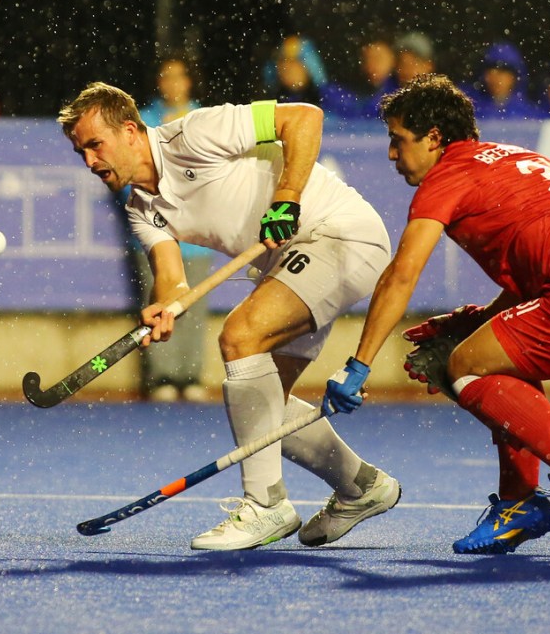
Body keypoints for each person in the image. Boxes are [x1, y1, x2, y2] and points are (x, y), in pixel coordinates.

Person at [322, 74, 550, 556]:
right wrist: (480, 318)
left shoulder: (445, 178)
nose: (390, 154)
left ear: (433, 139)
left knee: (465, 366)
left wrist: (358, 363)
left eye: (397, 141)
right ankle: (517, 502)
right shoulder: (518, 157)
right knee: (497, 359)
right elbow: (546, 267)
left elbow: (401, 275)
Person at [58, 82, 400, 551]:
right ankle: (361, 486)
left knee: (239, 337)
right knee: (265, 404)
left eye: (95, 145)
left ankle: (266, 505)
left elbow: (304, 118)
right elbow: (172, 277)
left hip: (337, 234)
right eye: (81, 152)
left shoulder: (195, 134)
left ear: (132, 131)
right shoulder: (140, 207)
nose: (90, 161)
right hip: (285, 264)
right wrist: (165, 306)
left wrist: (288, 196)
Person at [135, 54, 211, 402]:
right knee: (159, 299)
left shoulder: (204, 118)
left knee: (193, 303)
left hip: (196, 236)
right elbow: (133, 172)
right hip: (158, 229)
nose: (172, 84)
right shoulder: (144, 121)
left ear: (189, 82)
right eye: (166, 77)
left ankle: (191, 374)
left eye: (178, 77)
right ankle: (162, 376)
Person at [469, 41, 544, 120]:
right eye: (490, 69)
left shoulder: (532, 115)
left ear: (514, 76)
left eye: (502, 70)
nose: (495, 77)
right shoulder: (472, 109)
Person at [352, 32, 398, 118]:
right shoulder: (352, 91)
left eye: (378, 58)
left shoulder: (400, 95)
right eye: (367, 59)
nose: (371, 64)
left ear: (393, 60)